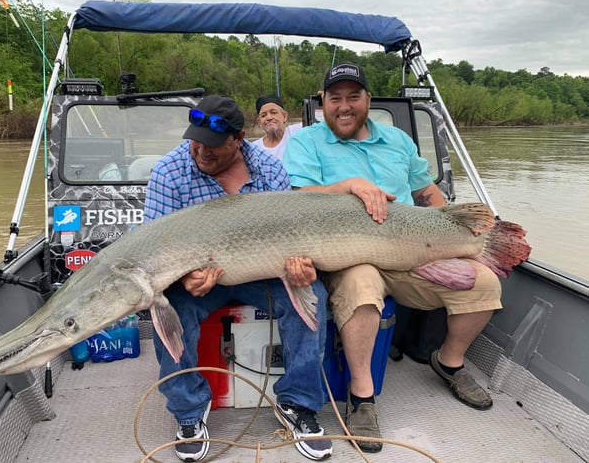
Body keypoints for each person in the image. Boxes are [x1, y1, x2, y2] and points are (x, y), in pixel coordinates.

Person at [282, 63, 502, 453]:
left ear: (368, 100)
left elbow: (427, 193)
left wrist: (449, 229)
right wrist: (351, 186)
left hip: (409, 252)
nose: (344, 106)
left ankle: (448, 362)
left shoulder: (398, 140)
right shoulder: (306, 142)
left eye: (353, 97)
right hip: (349, 257)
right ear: (323, 103)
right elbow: (298, 202)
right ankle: (362, 396)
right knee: (362, 284)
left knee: (485, 282)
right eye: (335, 98)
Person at [144, 94, 332, 462]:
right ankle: (188, 412)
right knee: (170, 308)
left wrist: (302, 264)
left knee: (313, 294)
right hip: (197, 281)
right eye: (195, 141)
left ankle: (298, 403)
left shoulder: (268, 169)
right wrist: (186, 280)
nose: (201, 152)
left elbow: (290, 234)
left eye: (213, 145)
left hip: (258, 271)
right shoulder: (169, 172)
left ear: (239, 139)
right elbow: (153, 251)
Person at [252, 94, 302, 160]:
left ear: (284, 116)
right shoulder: (255, 149)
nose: (269, 118)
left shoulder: (299, 131)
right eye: (263, 115)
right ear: (259, 122)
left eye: (273, 112)